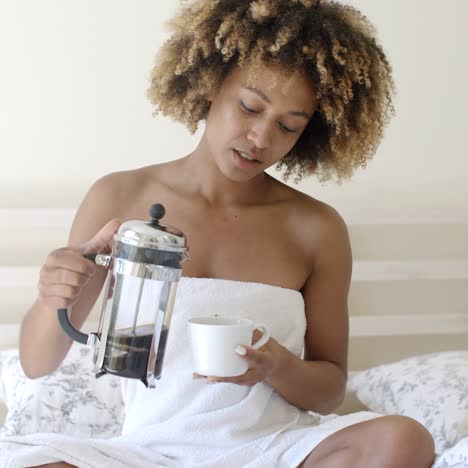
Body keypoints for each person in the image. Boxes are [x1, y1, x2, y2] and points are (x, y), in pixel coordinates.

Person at [13, 0, 435, 467]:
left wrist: (278, 368)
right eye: (250, 106)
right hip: (145, 454)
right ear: (210, 83)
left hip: (273, 451)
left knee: (404, 439)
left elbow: (330, 389)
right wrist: (55, 294)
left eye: (288, 127)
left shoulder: (317, 229)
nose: (260, 138)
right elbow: (36, 364)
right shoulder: (119, 196)